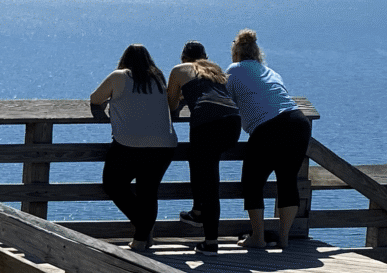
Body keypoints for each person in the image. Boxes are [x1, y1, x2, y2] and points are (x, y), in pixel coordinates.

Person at [225, 29, 311, 250]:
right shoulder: (272, 72)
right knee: (287, 180)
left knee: (252, 182)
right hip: (298, 121)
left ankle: (258, 237)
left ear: (236, 53)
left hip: (268, 127)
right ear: (257, 53)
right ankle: (284, 239)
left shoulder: (234, 71)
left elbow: (224, 98)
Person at [89, 45, 177, 251]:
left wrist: (107, 106)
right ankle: (141, 239)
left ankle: (142, 231)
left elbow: (95, 98)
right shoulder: (158, 78)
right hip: (164, 145)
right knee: (148, 191)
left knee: (113, 185)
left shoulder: (119, 76)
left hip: (129, 144)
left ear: (124, 59)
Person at [166, 42, 241, 253]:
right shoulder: (216, 71)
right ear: (205, 56)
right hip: (232, 123)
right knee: (200, 163)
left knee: (208, 181)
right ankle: (198, 211)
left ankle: (210, 241)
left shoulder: (180, 70)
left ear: (183, 57)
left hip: (207, 123)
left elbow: (171, 105)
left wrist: (181, 97)